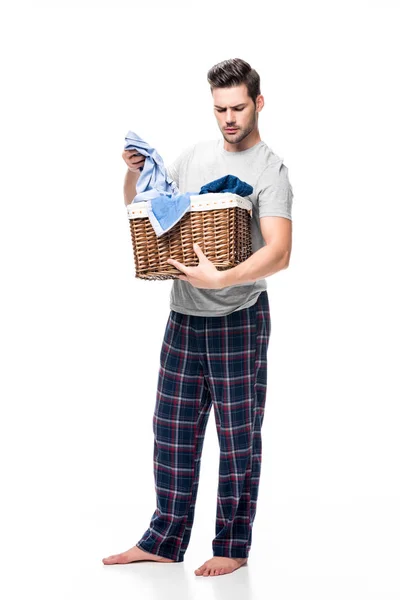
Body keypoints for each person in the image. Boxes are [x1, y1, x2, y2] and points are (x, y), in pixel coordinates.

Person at [102, 58, 293, 577]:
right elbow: (142, 209)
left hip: (240, 317)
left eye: (237, 107)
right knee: (172, 429)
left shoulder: (270, 170)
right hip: (184, 317)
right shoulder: (192, 157)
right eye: (219, 109)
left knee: (237, 436)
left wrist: (222, 279)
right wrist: (135, 172)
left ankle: (232, 546)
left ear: (258, 102)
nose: (228, 118)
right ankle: (165, 539)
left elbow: (279, 252)